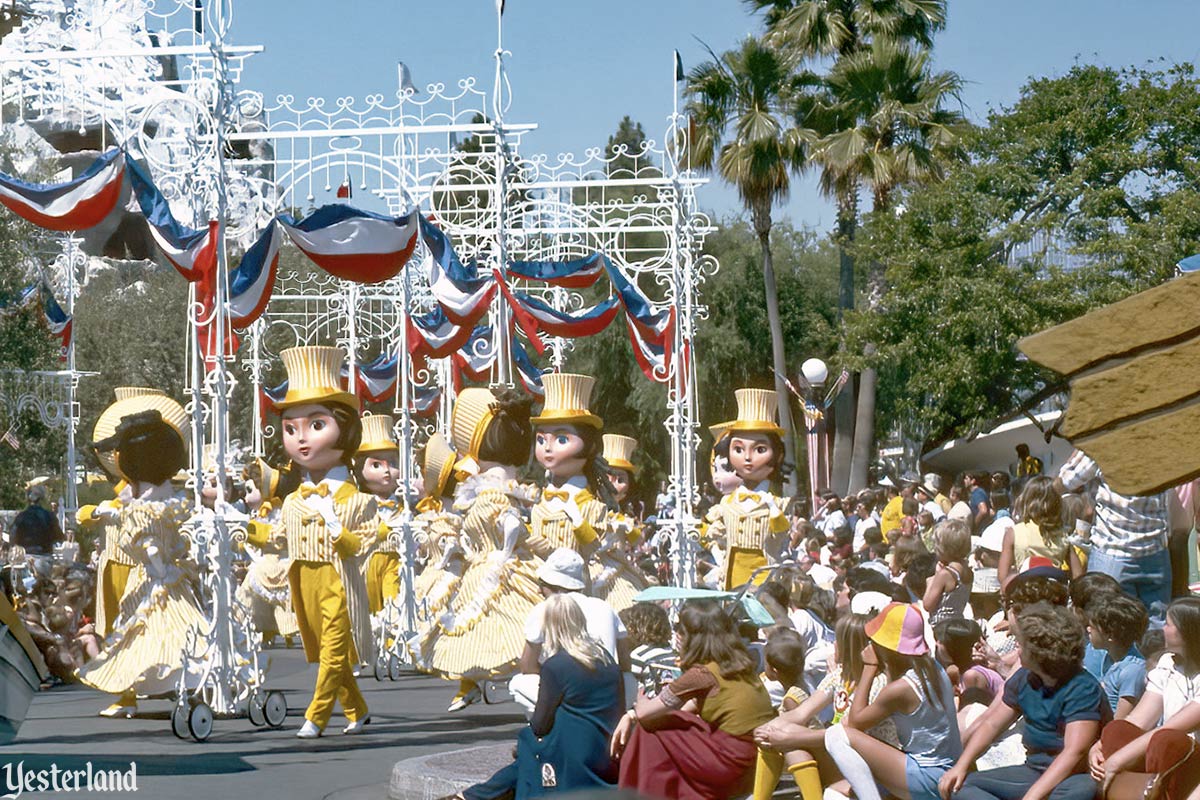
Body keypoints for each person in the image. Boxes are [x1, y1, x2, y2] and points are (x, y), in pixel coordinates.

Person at [409, 386, 542, 713]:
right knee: (492, 631)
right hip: (488, 563)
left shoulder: (494, 492)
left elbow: (510, 523)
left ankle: (535, 690)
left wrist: (505, 551)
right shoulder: (493, 488)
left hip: (500, 566)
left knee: (513, 627)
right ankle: (492, 686)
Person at [273, 346, 376, 738]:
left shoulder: (357, 499)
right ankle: (358, 709)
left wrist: (338, 529)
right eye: (290, 429)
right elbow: (279, 537)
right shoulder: (294, 500)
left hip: (339, 581)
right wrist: (240, 530)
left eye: (316, 425)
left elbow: (362, 543)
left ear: (344, 429)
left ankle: (315, 717)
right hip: (304, 581)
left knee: (334, 651)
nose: (301, 439)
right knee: (327, 654)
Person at [75, 406, 202, 720]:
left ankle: (182, 683)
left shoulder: (152, 499)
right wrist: (104, 512)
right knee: (129, 632)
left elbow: (156, 535)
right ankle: (130, 693)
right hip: (132, 571)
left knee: (158, 630)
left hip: (150, 574)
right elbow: (92, 515)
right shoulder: (139, 495)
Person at [461, 593, 625, 800]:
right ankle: (473, 796)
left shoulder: (556, 665)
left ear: (549, 627)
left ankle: (474, 796)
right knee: (533, 747)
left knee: (528, 743)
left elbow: (540, 724)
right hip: (606, 748)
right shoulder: (607, 659)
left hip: (576, 756)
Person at [610, 598, 776, 799]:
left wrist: (635, 708)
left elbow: (645, 713)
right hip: (752, 759)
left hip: (729, 761)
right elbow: (689, 708)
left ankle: (644, 791)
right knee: (672, 722)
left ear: (693, 636)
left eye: (680, 628)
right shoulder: (740, 663)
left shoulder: (701, 675)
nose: (676, 634)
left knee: (649, 730)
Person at [938, 602, 1106, 800]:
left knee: (1081, 792)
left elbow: (1074, 752)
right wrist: (961, 765)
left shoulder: (1082, 687)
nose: (1017, 651)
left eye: (1022, 645)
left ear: (1039, 653)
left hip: (1073, 775)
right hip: (1034, 769)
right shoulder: (1025, 679)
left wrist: (1032, 796)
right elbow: (992, 724)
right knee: (962, 787)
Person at [528, 374, 646, 611]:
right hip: (539, 589)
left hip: (583, 588)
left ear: (588, 445)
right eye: (541, 439)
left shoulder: (592, 507)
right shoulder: (540, 502)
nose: (548, 447)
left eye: (561, 438)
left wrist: (578, 519)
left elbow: (594, 547)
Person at [823, 602, 962, 800]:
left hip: (927, 777)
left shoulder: (902, 689)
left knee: (835, 735)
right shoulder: (933, 668)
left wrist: (869, 667)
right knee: (834, 792)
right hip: (947, 767)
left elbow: (855, 722)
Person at [1088, 597, 1200, 800]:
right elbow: (1138, 720)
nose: (1162, 630)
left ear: (1188, 631)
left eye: (1168, 624)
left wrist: (1117, 761)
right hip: (1166, 755)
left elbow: (1172, 728)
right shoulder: (1168, 664)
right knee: (1117, 730)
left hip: (1189, 757)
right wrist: (1101, 745)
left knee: (1166, 740)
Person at [509, 548, 631, 716]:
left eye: (541, 584)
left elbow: (527, 666)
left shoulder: (542, 610)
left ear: (551, 584)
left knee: (518, 682)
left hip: (568, 691)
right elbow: (625, 663)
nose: (538, 590)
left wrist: (554, 676)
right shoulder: (605, 607)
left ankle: (547, 723)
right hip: (607, 691)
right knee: (629, 679)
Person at [1056, 449, 1172, 618]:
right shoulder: (1161, 441)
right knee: (1156, 630)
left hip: (1113, 551)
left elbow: (1067, 480)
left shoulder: (1103, 442)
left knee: (1109, 627)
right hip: (1155, 550)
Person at [705, 389, 791, 589]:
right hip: (732, 577)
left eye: (760, 449)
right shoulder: (726, 503)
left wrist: (772, 508)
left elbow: (781, 534)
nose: (747, 458)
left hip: (765, 577)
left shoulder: (780, 504)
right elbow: (712, 534)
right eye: (738, 449)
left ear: (777, 455)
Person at [1000, 476, 1080, 586]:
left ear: (1027, 501)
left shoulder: (1014, 533)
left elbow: (1002, 576)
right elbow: (1077, 575)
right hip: (1053, 591)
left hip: (1025, 591)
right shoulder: (1062, 535)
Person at [1083, 591, 1148, 720]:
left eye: (1092, 627)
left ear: (1110, 635)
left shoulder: (1132, 670)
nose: (1088, 629)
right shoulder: (1110, 657)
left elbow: (1121, 721)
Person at [924, 518, 974, 625]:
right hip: (957, 622)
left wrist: (932, 580)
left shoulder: (944, 574)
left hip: (940, 626)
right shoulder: (968, 571)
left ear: (944, 548)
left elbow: (927, 605)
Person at [12, 485, 63, 558]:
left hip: (25, 557)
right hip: (44, 557)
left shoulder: (21, 517)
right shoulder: (49, 516)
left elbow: (13, 538)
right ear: (42, 499)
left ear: (28, 500)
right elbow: (59, 537)